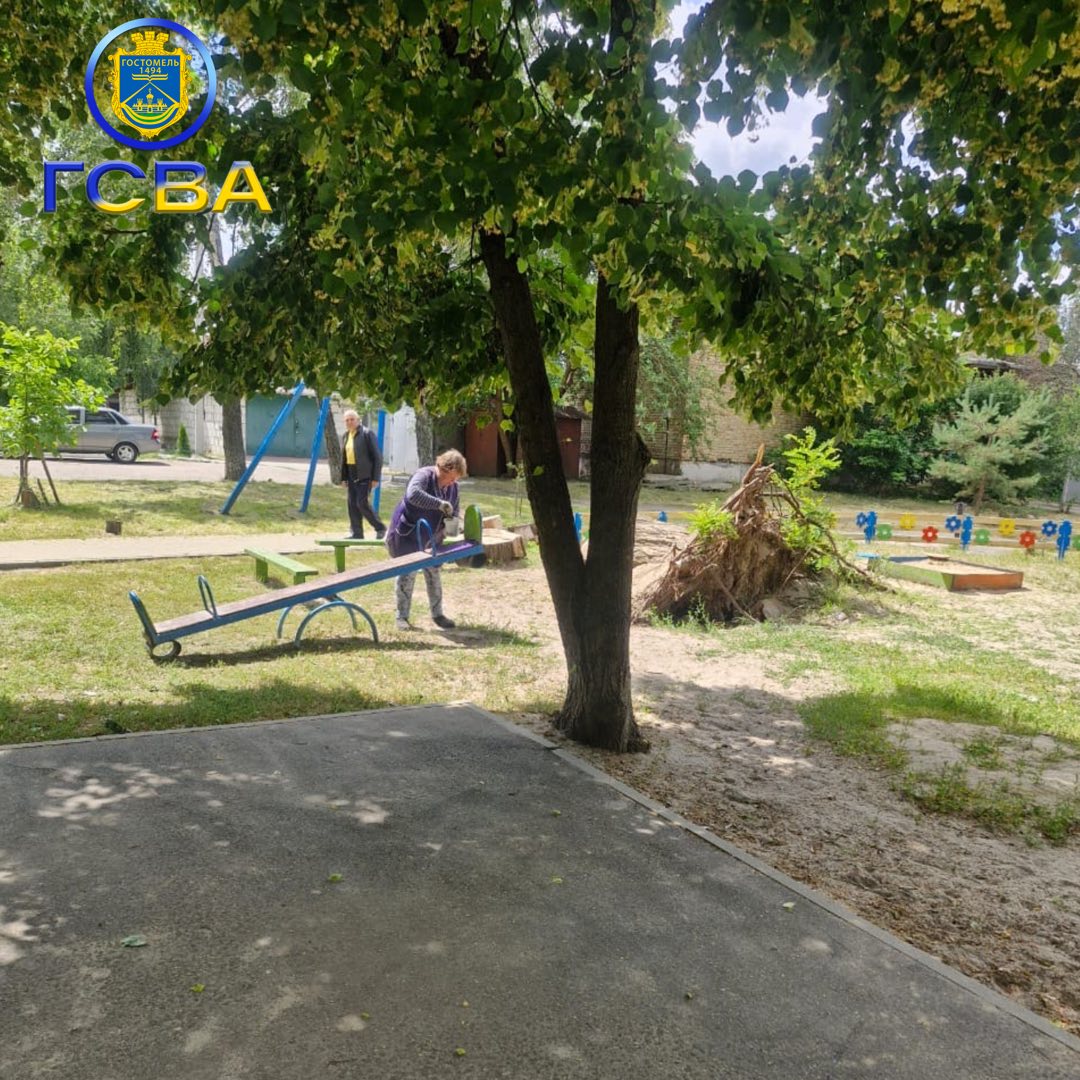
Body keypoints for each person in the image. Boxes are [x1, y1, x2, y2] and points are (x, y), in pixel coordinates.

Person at [385, 449, 467, 631]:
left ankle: (438, 614)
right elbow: (413, 495)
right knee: (407, 574)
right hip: (408, 533)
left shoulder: (453, 487)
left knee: (434, 572)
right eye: (451, 478)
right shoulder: (423, 476)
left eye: (456, 479)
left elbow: (454, 510)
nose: (453, 482)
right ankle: (402, 617)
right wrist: (439, 504)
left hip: (432, 537)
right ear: (442, 468)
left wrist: (453, 525)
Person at [340, 409, 385, 540]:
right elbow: (344, 459)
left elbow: (377, 457)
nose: (349, 422)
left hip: (365, 474)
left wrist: (375, 477)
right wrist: (344, 477)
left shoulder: (366, 433)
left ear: (358, 420)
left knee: (362, 503)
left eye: (352, 419)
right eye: (347, 420)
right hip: (351, 473)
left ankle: (380, 528)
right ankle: (357, 533)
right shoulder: (346, 435)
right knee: (352, 504)